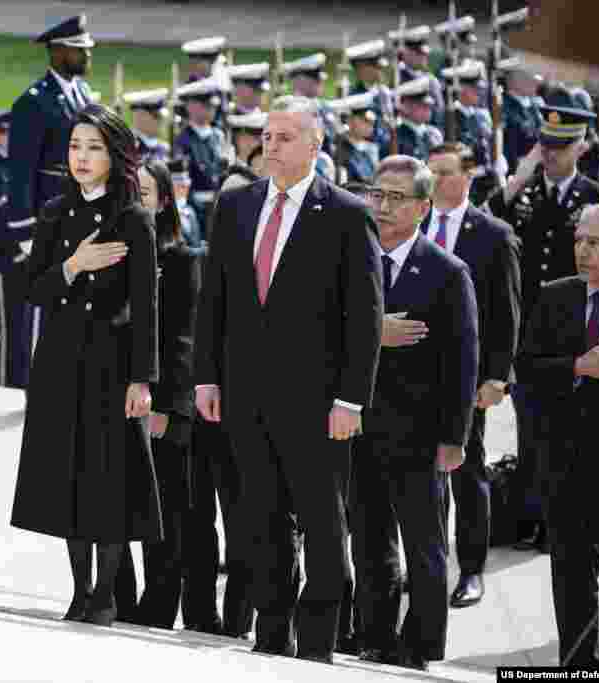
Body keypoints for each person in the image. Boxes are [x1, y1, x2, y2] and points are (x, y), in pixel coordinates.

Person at [194, 96, 383, 662]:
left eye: (283, 137)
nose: (270, 146)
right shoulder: (236, 207)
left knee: (325, 531)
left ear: (315, 145)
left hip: (319, 402)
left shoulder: (347, 213)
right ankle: (272, 634)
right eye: (267, 137)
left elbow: (365, 315)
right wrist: (207, 378)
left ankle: (318, 642)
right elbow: (216, 301)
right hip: (247, 397)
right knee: (262, 523)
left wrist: (352, 398)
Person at [10, 103, 160, 628]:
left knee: (110, 478)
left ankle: (105, 594)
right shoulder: (54, 213)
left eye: (94, 146)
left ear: (115, 155)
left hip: (113, 365)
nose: (81, 156)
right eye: (75, 146)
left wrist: (143, 378)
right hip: (61, 362)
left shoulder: (135, 217)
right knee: (69, 474)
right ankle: (78, 590)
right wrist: (73, 264)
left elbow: (147, 305)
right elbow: (31, 288)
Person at [353, 155, 478, 672]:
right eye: (376, 194)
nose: (382, 206)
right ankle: (374, 636)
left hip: (420, 435)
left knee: (424, 549)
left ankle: (423, 644)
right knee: (370, 543)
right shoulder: (350, 261)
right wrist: (369, 332)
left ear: (424, 208)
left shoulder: (448, 273)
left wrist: (455, 437)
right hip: (356, 426)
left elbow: (463, 359)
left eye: (396, 198)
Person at [486, 103, 599, 551]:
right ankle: (536, 517)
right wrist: (518, 177)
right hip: (532, 337)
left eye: (563, 146)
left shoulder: (598, 195)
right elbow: (483, 224)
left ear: (582, 146)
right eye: (547, 146)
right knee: (533, 429)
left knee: (575, 430)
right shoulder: (523, 192)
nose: (553, 154)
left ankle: (573, 515)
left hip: (580, 331)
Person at [516, 203, 599, 668]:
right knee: (572, 580)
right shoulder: (557, 296)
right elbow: (527, 369)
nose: (582, 250)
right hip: (565, 469)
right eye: (579, 240)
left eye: (595, 242)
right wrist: (578, 366)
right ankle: (577, 667)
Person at [423, 142, 521, 610]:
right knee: (421, 477)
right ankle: (429, 567)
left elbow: (506, 313)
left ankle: (473, 570)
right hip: (414, 376)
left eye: (445, 172)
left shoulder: (492, 234)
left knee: (467, 472)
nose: (437, 181)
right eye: (431, 172)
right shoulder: (413, 225)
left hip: (468, 377)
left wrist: (497, 376)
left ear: (468, 175)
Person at [112, 159, 200, 629]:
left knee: (164, 515)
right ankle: (118, 599)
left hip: (161, 407)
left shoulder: (182, 260)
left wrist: (167, 406)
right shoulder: (112, 251)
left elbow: (182, 341)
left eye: (143, 193)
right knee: (114, 506)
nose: (135, 201)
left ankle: (160, 607)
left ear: (164, 201)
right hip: (114, 398)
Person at [7, 15, 94, 244]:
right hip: (50, 212)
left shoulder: (83, 93)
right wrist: (24, 227)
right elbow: (21, 170)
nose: (87, 54)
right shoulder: (34, 102)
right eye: (79, 49)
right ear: (57, 52)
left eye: (87, 49)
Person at [0, 109, 33, 390]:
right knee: (12, 333)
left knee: (28, 333)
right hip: (8, 263)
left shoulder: (25, 169)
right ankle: (6, 388)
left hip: (31, 261)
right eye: (5, 133)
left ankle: (24, 387)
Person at [440, 60, 499, 205]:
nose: (479, 93)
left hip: (483, 181)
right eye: (475, 89)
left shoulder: (480, 116)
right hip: (464, 182)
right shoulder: (451, 116)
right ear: (462, 89)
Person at [173, 76, 227, 233]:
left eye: (212, 106)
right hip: (197, 208)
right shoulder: (183, 140)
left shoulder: (218, 136)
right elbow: (182, 180)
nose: (211, 109)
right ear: (190, 107)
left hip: (219, 206)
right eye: (205, 105)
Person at [390, 24, 445, 130]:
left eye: (424, 53)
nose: (424, 57)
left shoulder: (430, 79)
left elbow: (438, 112)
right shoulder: (396, 77)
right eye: (419, 53)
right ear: (406, 52)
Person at [347, 39, 394, 156]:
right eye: (376, 67)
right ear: (361, 68)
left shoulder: (384, 93)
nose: (380, 71)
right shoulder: (354, 98)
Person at [499, 58, 544, 176]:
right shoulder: (503, 106)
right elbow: (506, 143)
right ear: (513, 81)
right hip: (516, 172)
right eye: (528, 78)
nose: (535, 82)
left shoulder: (535, 105)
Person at [329, 93, 380, 185]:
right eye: (365, 120)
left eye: (372, 122)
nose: (370, 126)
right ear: (349, 120)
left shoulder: (369, 148)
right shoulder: (338, 147)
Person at [394, 78, 444, 160]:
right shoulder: (397, 135)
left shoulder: (434, 133)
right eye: (422, 106)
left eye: (429, 106)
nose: (428, 110)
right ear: (406, 107)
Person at [122, 88, 170, 163]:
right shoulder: (128, 148)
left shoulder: (163, 148)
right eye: (157, 116)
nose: (161, 121)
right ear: (141, 116)